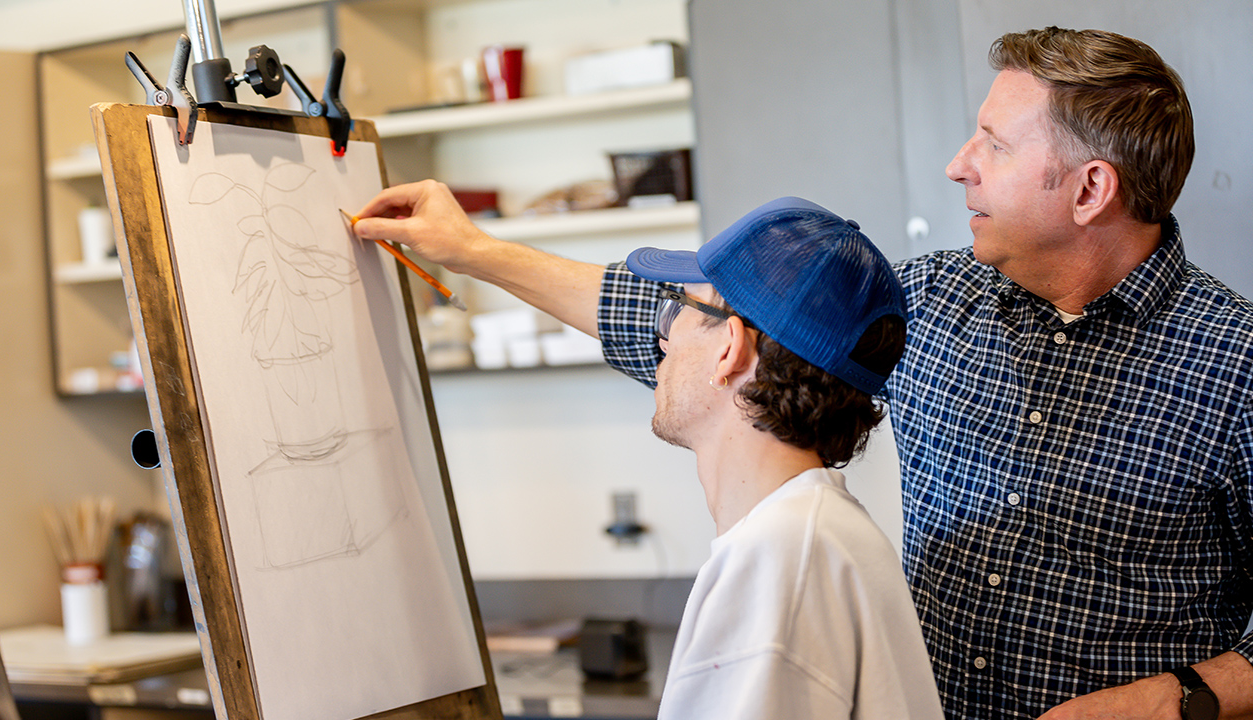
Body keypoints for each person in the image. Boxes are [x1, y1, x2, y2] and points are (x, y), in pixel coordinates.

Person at [353, 26, 1253, 720]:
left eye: (995, 144)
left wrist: (1176, 699)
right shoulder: (939, 298)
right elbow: (700, 325)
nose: (959, 165)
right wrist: (474, 253)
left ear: (1090, 190)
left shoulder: (1236, 362)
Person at [611, 195, 941, 718]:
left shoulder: (778, 562)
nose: (662, 337)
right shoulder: (815, 536)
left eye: (678, 308)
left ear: (730, 348)